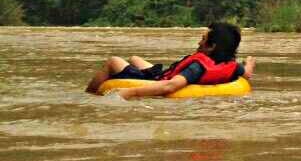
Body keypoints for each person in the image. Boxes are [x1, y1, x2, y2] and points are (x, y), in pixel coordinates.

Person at [85, 22, 256, 100]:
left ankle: (89, 95)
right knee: (134, 59)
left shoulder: (197, 67)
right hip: (163, 73)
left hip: (158, 80)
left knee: (112, 61)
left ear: (211, 47)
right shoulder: (232, 66)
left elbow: (170, 86)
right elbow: (247, 73)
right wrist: (249, 62)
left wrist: (129, 93)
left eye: (202, 39)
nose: (198, 42)